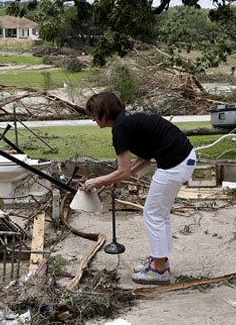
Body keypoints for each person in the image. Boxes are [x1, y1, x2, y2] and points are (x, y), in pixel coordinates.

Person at [81, 92, 196, 285]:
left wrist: (96, 181)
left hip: (175, 163)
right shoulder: (127, 121)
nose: (92, 118)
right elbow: (144, 159)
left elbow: (123, 171)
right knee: (160, 214)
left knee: (153, 215)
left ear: (105, 111)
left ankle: (159, 271)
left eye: (93, 113)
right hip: (181, 159)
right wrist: (118, 177)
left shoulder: (120, 129)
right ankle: (160, 262)